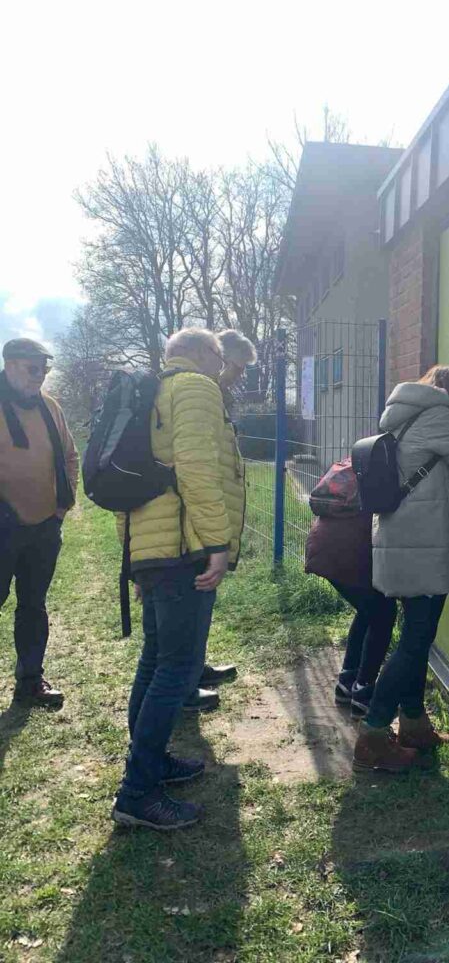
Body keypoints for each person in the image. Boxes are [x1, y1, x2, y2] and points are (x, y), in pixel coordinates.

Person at [111, 328, 245, 831]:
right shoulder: (193, 387)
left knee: (157, 660)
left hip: (154, 549)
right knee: (178, 667)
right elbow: (198, 469)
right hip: (185, 548)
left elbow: (125, 486)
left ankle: (151, 763)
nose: (222, 366)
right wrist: (217, 543)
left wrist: (134, 558)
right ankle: (138, 791)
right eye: (220, 356)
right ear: (203, 353)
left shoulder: (150, 394)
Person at [353, 366, 449, 773]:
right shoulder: (442, 418)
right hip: (425, 545)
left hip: (400, 540)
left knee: (416, 635)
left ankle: (413, 723)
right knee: (416, 640)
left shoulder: (401, 414)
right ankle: (373, 734)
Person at [0, 338, 78, 708]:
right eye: (33, 369)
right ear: (10, 365)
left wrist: (62, 508)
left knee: (33, 606)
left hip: (45, 526)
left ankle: (30, 683)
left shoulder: (50, 407)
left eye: (44, 370)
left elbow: (70, 457)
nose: (40, 376)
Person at [181, 329, 255, 713]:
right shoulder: (196, 395)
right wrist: (215, 534)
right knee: (192, 599)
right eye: (236, 367)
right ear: (216, 358)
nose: (238, 376)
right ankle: (184, 683)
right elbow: (198, 467)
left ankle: (195, 668)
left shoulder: (214, 394)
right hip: (197, 521)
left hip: (208, 516)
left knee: (202, 600)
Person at [305, 500, 397, 717]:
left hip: (324, 544)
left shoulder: (356, 475)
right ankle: (363, 693)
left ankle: (347, 683)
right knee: (383, 614)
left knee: (368, 611)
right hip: (348, 551)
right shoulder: (388, 476)